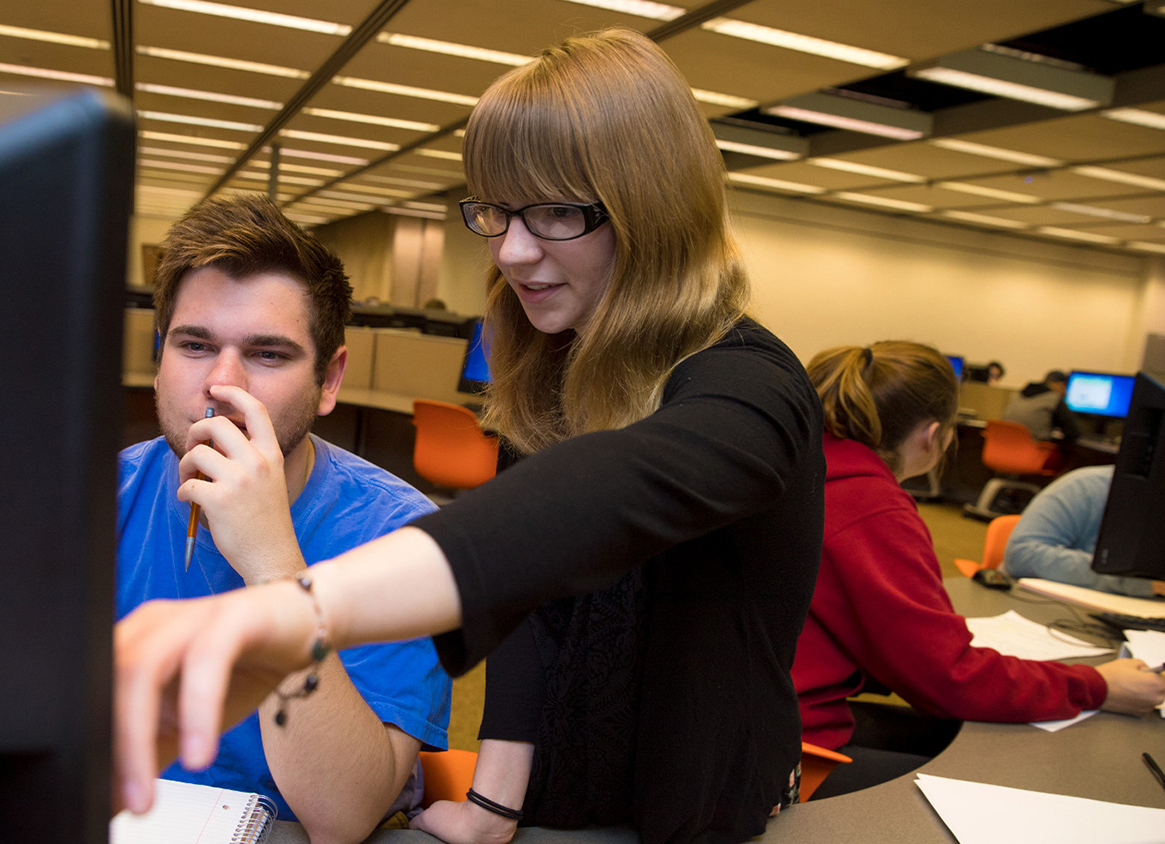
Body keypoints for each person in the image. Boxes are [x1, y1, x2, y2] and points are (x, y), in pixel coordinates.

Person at [115, 29, 825, 844]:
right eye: (497, 211)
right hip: (564, 808)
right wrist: (495, 803)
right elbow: (530, 593)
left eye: (556, 211)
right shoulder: (555, 367)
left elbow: (604, 497)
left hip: (702, 815)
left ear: (655, 210)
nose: (513, 251)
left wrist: (294, 604)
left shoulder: (752, 383)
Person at [115, 194, 451, 842]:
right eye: (194, 345)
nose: (222, 385)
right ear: (158, 361)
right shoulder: (102, 500)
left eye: (268, 354)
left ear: (329, 380)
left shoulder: (402, 535)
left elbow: (341, 818)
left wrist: (272, 567)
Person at [792, 342, 1165, 799]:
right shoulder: (870, 508)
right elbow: (949, 679)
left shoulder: (804, 467)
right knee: (1010, 778)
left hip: (760, 718)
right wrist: (1098, 685)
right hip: (784, 753)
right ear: (933, 435)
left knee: (955, 738)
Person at [1001, 464, 1165, 598]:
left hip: (1133, 610)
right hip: (1039, 603)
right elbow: (1022, 555)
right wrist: (1141, 582)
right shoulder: (1085, 487)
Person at [1003, 369, 1080, 441]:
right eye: (1064, 388)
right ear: (1060, 384)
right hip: (1033, 446)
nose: (1065, 393)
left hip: (1005, 443)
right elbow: (1073, 432)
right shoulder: (1053, 399)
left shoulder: (1017, 395)